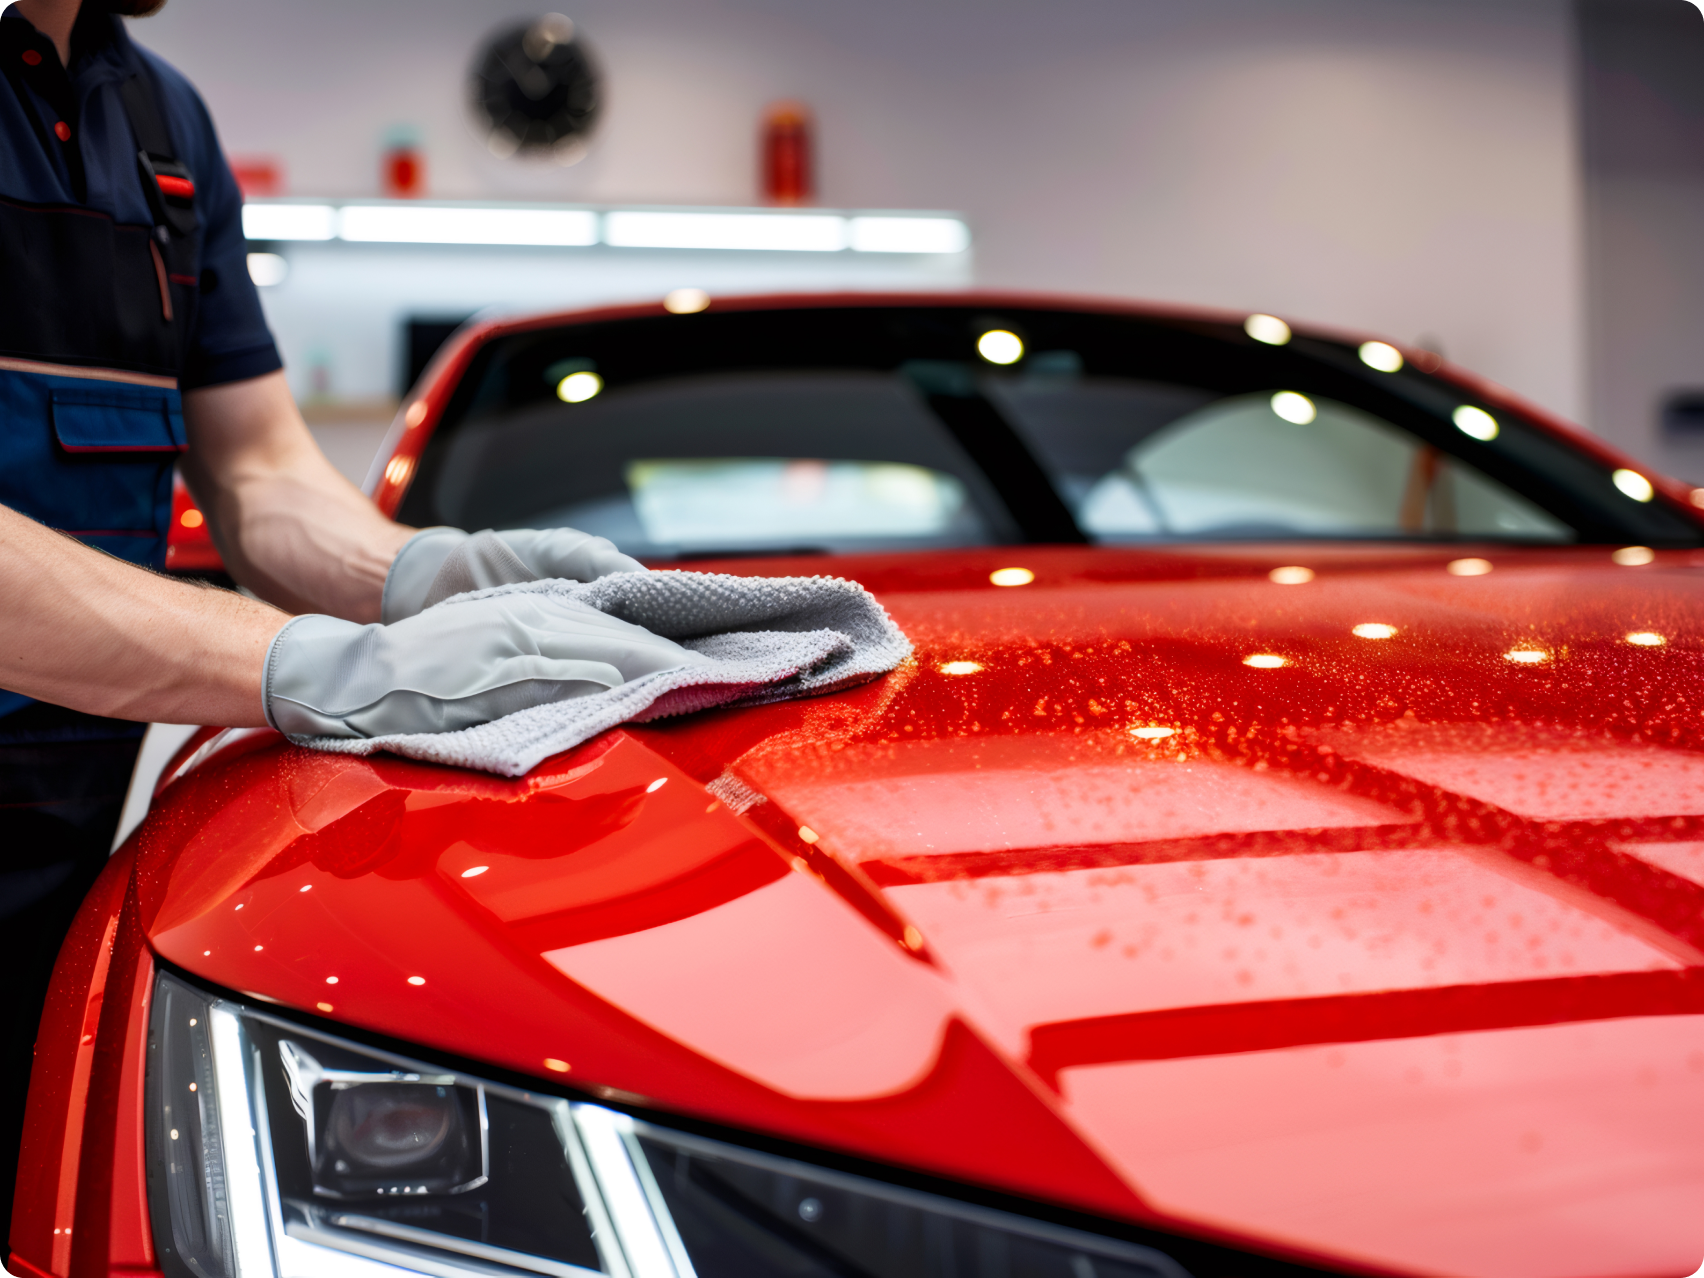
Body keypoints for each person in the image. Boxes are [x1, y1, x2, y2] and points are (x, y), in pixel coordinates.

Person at [0, 0, 686, 1213]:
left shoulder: (159, 124)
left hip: (51, 869)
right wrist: (329, 667)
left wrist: (428, 577)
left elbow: (260, 470)